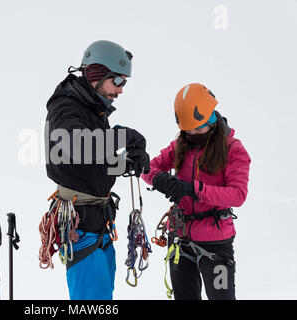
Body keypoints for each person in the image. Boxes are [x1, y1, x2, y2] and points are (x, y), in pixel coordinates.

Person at [44, 40, 150, 300]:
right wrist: (122, 136)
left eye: (124, 82)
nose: (121, 90)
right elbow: (75, 145)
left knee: (102, 296)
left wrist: (126, 162)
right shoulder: (65, 106)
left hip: (98, 223)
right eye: (118, 81)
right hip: (80, 227)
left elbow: (91, 165)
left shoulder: (92, 108)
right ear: (97, 74)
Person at [142, 83, 251, 300]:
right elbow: (149, 168)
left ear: (211, 120)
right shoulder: (181, 144)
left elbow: (238, 194)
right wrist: (160, 179)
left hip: (216, 243)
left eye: (197, 128)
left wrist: (194, 190)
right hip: (180, 238)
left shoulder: (233, 150)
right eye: (187, 129)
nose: (192, 134)